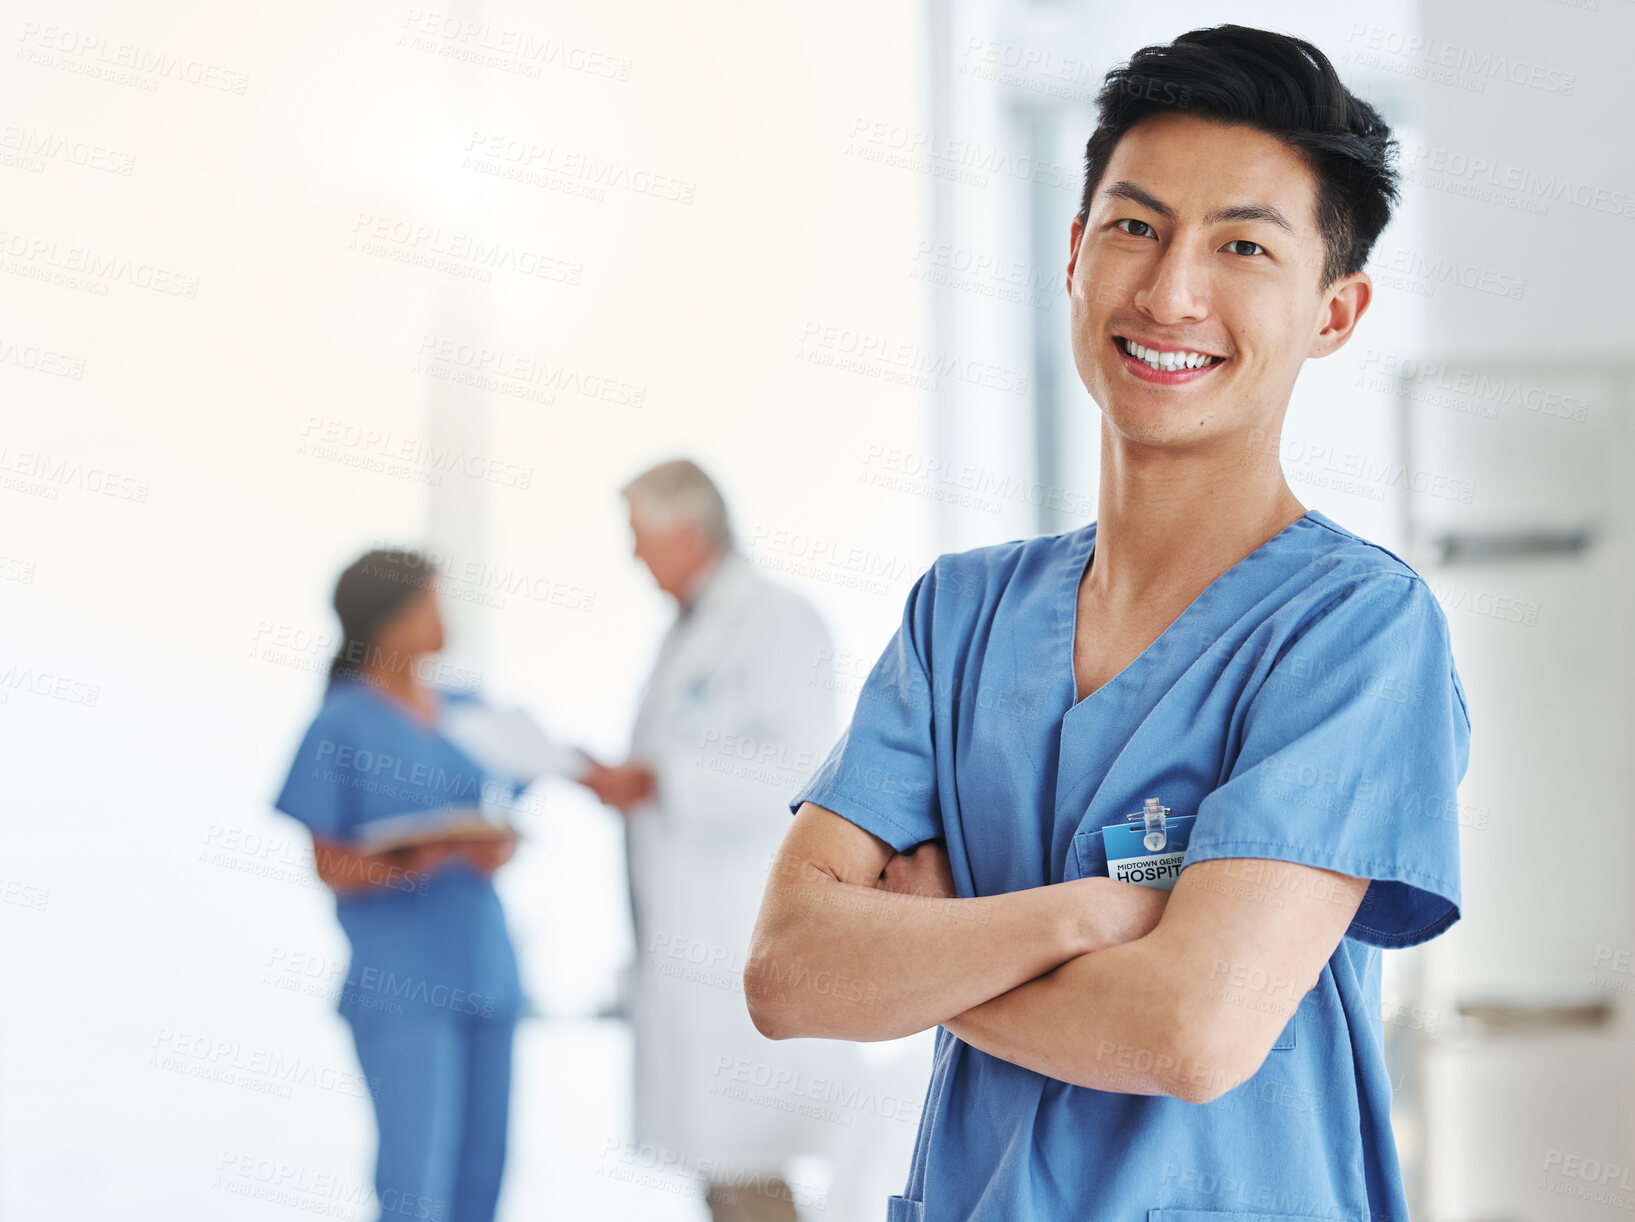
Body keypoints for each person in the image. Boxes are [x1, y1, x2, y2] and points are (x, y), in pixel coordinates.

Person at [746, 24, 1471, 1222]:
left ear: (1336, 312)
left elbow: (1191, 1031)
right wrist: (1081, 916)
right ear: (1076, 255)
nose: (1172, 290)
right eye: (1136, 227)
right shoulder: (961, 617)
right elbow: (787, 972)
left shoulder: (1357, 633)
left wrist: (929, 954)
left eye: (1243, 245)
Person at [579, 459, 863, 1221]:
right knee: (724, 1168)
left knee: (750, 1167)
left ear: (685, 530)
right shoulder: (691, 631)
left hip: (738, 931)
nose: (633, 556)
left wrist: (660, 780)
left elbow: (803, 768)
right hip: (688, 943)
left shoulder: (777, 620)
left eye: (640, 537)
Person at [274, 548, 524, 1222]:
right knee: (415, 1184)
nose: (445, 619)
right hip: (402, 985)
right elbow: (330, 865)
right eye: (429, 604)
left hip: (486, 968)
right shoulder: (340, 722)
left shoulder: (468, 710)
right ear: (385, 622)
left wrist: (487, 844)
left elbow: (526, 773)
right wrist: (415, 858)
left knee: (484, 1178)